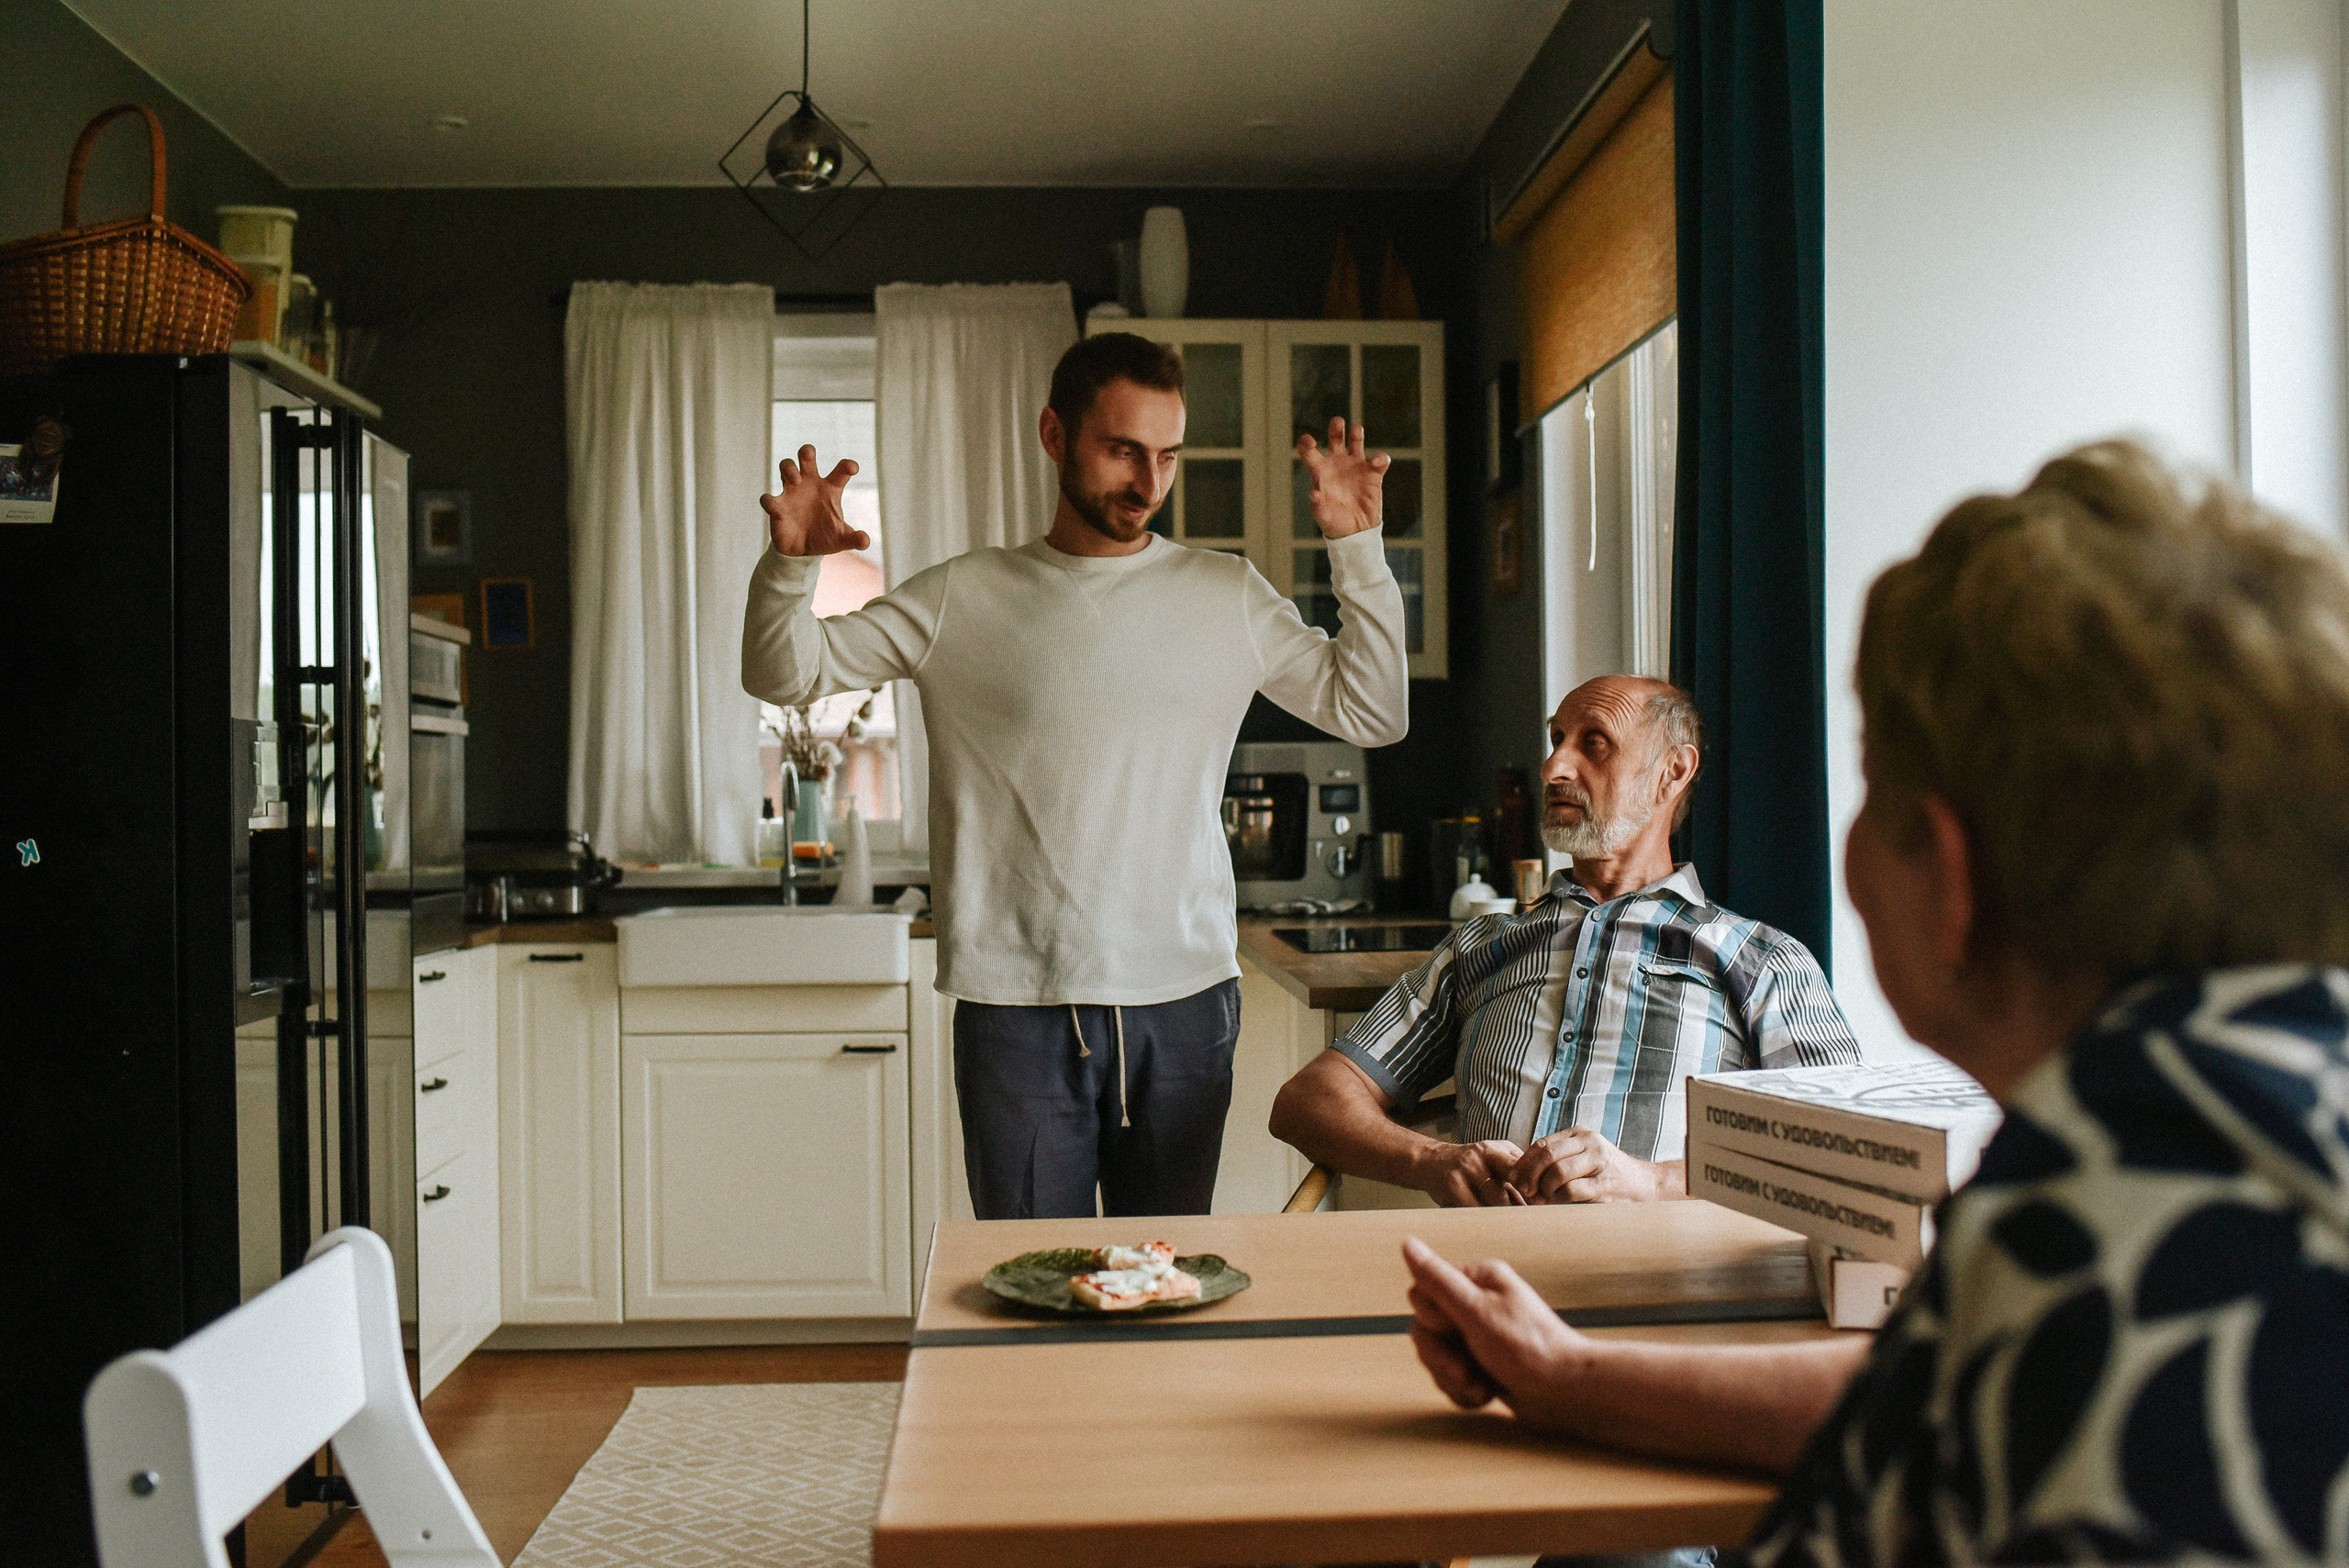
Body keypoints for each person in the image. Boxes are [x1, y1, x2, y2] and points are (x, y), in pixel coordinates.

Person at [1398, 439, 2349, 1563]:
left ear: (1948, 875)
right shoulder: (2196, 1129)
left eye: (1872, 783)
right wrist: (1569, 1377)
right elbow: (1934, 1385)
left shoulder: (2108, 1229)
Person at [742, 332, 1408, 1220]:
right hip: (1014, 1001)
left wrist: (1357, 546)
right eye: (1122, 449)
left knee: (1160, 1280)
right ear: (1056, 435)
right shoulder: (960, 596)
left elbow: (1372, 712)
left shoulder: (1226, 594)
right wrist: (792, 564)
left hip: (1183, 1000)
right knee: (1027, 1282)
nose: (1147, 482)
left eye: (1166, 455)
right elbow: (784, 674)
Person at [1268, 675, 1859, 1207]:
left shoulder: (1762, 959)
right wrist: (1432, 1161)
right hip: (1486, 1281)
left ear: (1672, 772)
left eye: (1593, 742)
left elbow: (1850, 1147)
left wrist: (1652, 1183)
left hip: (1668, 1286)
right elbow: (1306, 1102)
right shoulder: (1482, 946)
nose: (1553, 768)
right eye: (1556, 740)